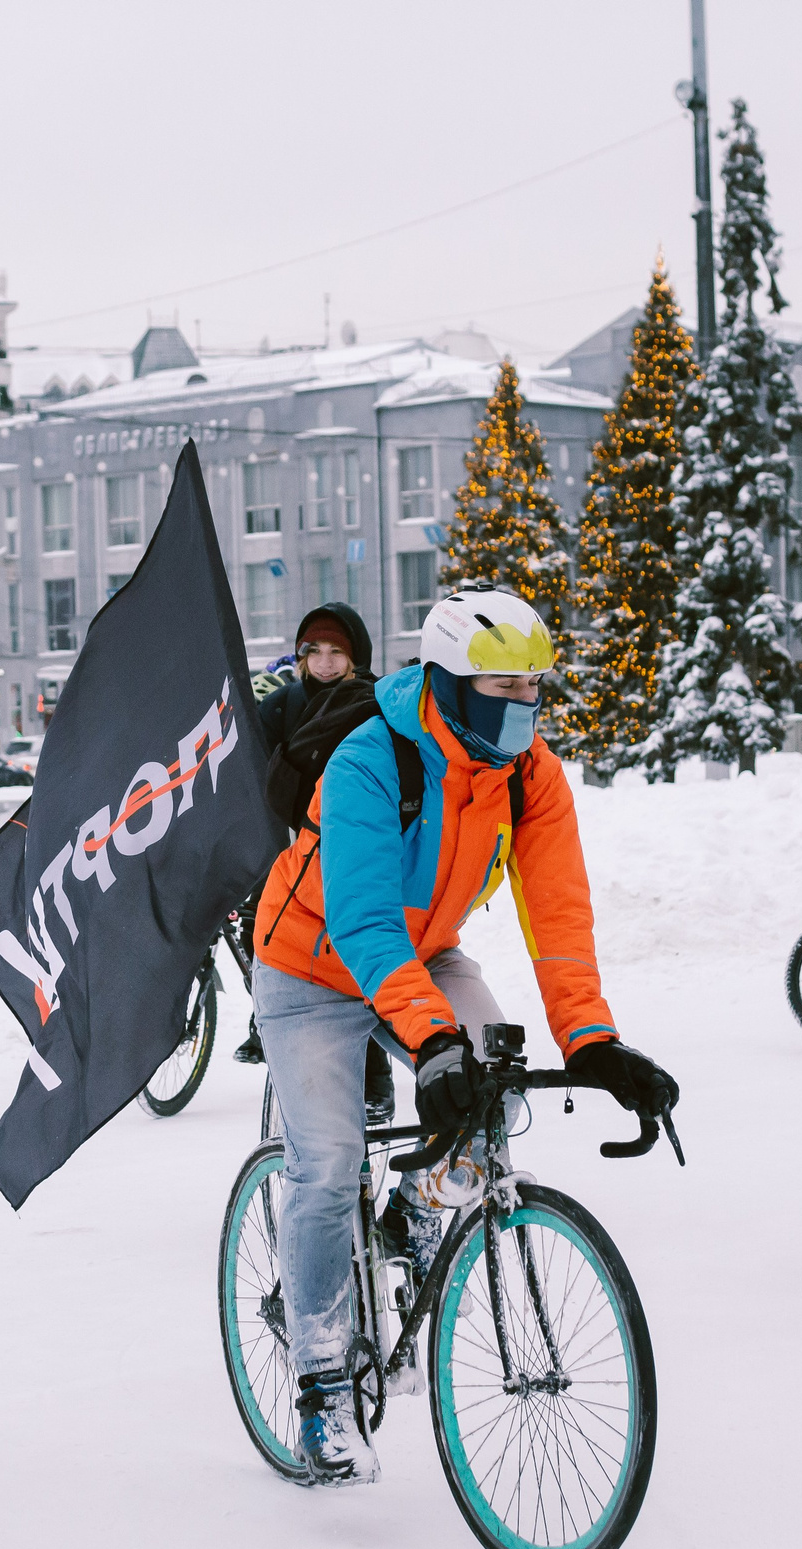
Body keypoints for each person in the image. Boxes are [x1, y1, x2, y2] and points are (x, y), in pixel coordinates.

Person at [253, 586, 679, 1482]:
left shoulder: (530, 774)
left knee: (496, 1086)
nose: (523, 706)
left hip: (424, 952)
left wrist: (593, 1039)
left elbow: (559, 916)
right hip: (309, 964)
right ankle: (323, 1387)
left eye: (534, 688)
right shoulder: (371, 759)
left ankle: (411, 1213)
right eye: (502, 687)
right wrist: (432, 1039)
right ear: (448, 683)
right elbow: (365, 923)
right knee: (327, 1163)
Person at [236, 604, 397, 1129]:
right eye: (314, 652)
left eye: (336, 653)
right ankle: (273, 1028)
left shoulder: (379, 704)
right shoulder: (280, 706)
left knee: (354, 966)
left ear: (356, 658)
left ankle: (374, 1075)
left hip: (355, 851)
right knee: (270, 944)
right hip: (288, 854)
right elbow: (243, 770)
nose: (325, 663)